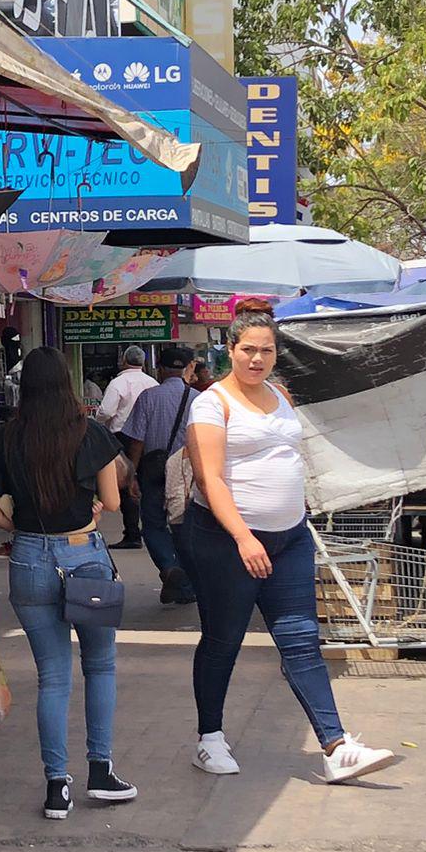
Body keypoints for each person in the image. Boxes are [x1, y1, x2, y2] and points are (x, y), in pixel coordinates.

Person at [184, 307, 397, 784]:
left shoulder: (280, 395)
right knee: (223, 639)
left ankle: (336, 746)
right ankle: (210, 739)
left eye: (267, 350)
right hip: (227, 541)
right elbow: (208, 477)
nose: (257, 359)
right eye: (248, 350)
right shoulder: (211, 404)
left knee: (302, 639)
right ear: (230, 350)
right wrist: (242, 536)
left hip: (290, 539)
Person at [0, 347, 137, 820]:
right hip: (83, 556)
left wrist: (19, 531)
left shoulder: (4, 439)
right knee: (100, 666)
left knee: (52, 677)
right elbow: (110, 500)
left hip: (29, 558)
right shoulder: (92, 435)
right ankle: (101, 772)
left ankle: (56, 786)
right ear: (67, 385)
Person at [120, 346, 200, 604]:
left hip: (153, 468)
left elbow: (136, 442)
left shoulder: (148, 397)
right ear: (188, 369)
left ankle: (168, 569)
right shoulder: (199, 399)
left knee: (153, 525)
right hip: (188, 472)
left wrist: (131, 473)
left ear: (161, 370)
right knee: (184, 527)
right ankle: (183, 582)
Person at [97, 346, 159, 550]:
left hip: (122, 438)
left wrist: (100, 424)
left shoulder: (118, 383)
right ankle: (153, 528)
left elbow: (106, 411)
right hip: (149, 439)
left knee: (127, 485)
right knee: (149, 483)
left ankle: (132, 533)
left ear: (124, 361)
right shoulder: (152, 383)